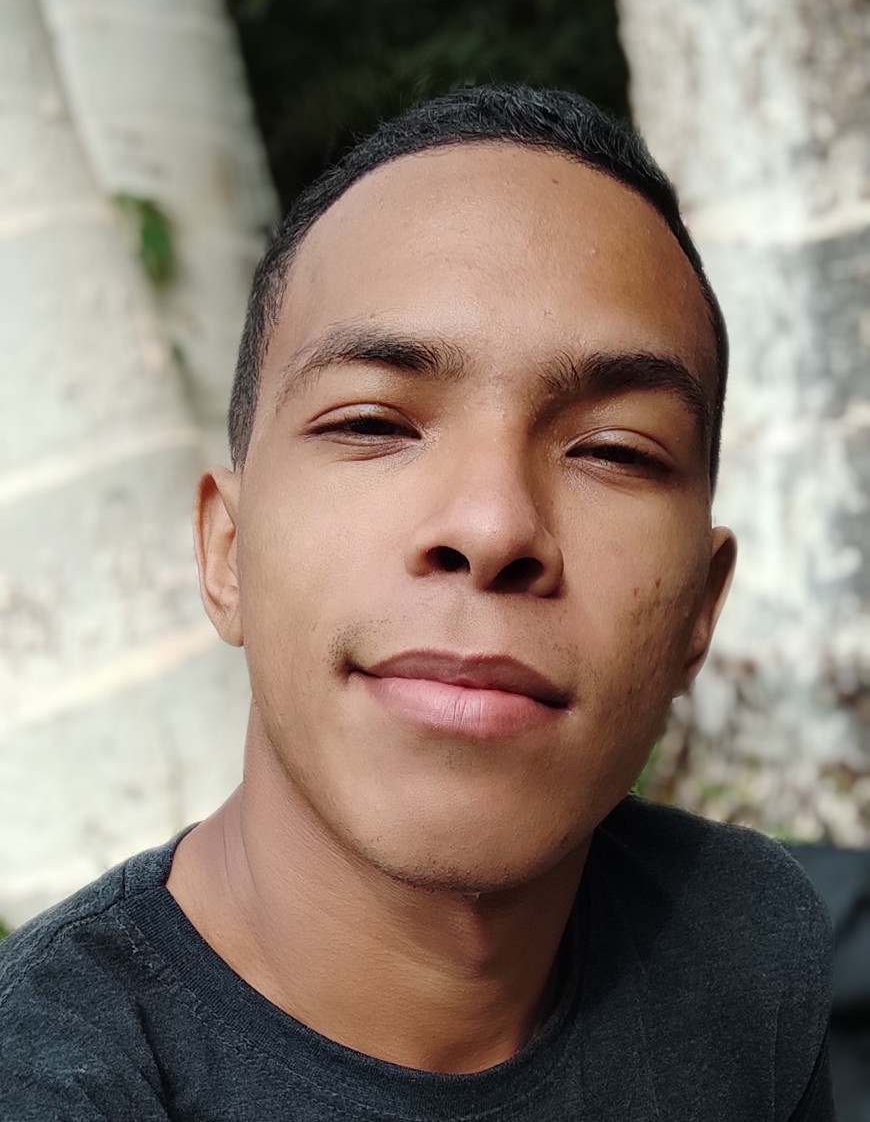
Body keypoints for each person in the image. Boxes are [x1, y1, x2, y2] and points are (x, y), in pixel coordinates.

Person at [0, 85, 834, 1120]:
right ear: (227, 554)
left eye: (615, 449)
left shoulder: (742, 943)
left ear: (699, 611)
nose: (492, 525)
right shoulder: (61, 1081)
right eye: (374, 424)